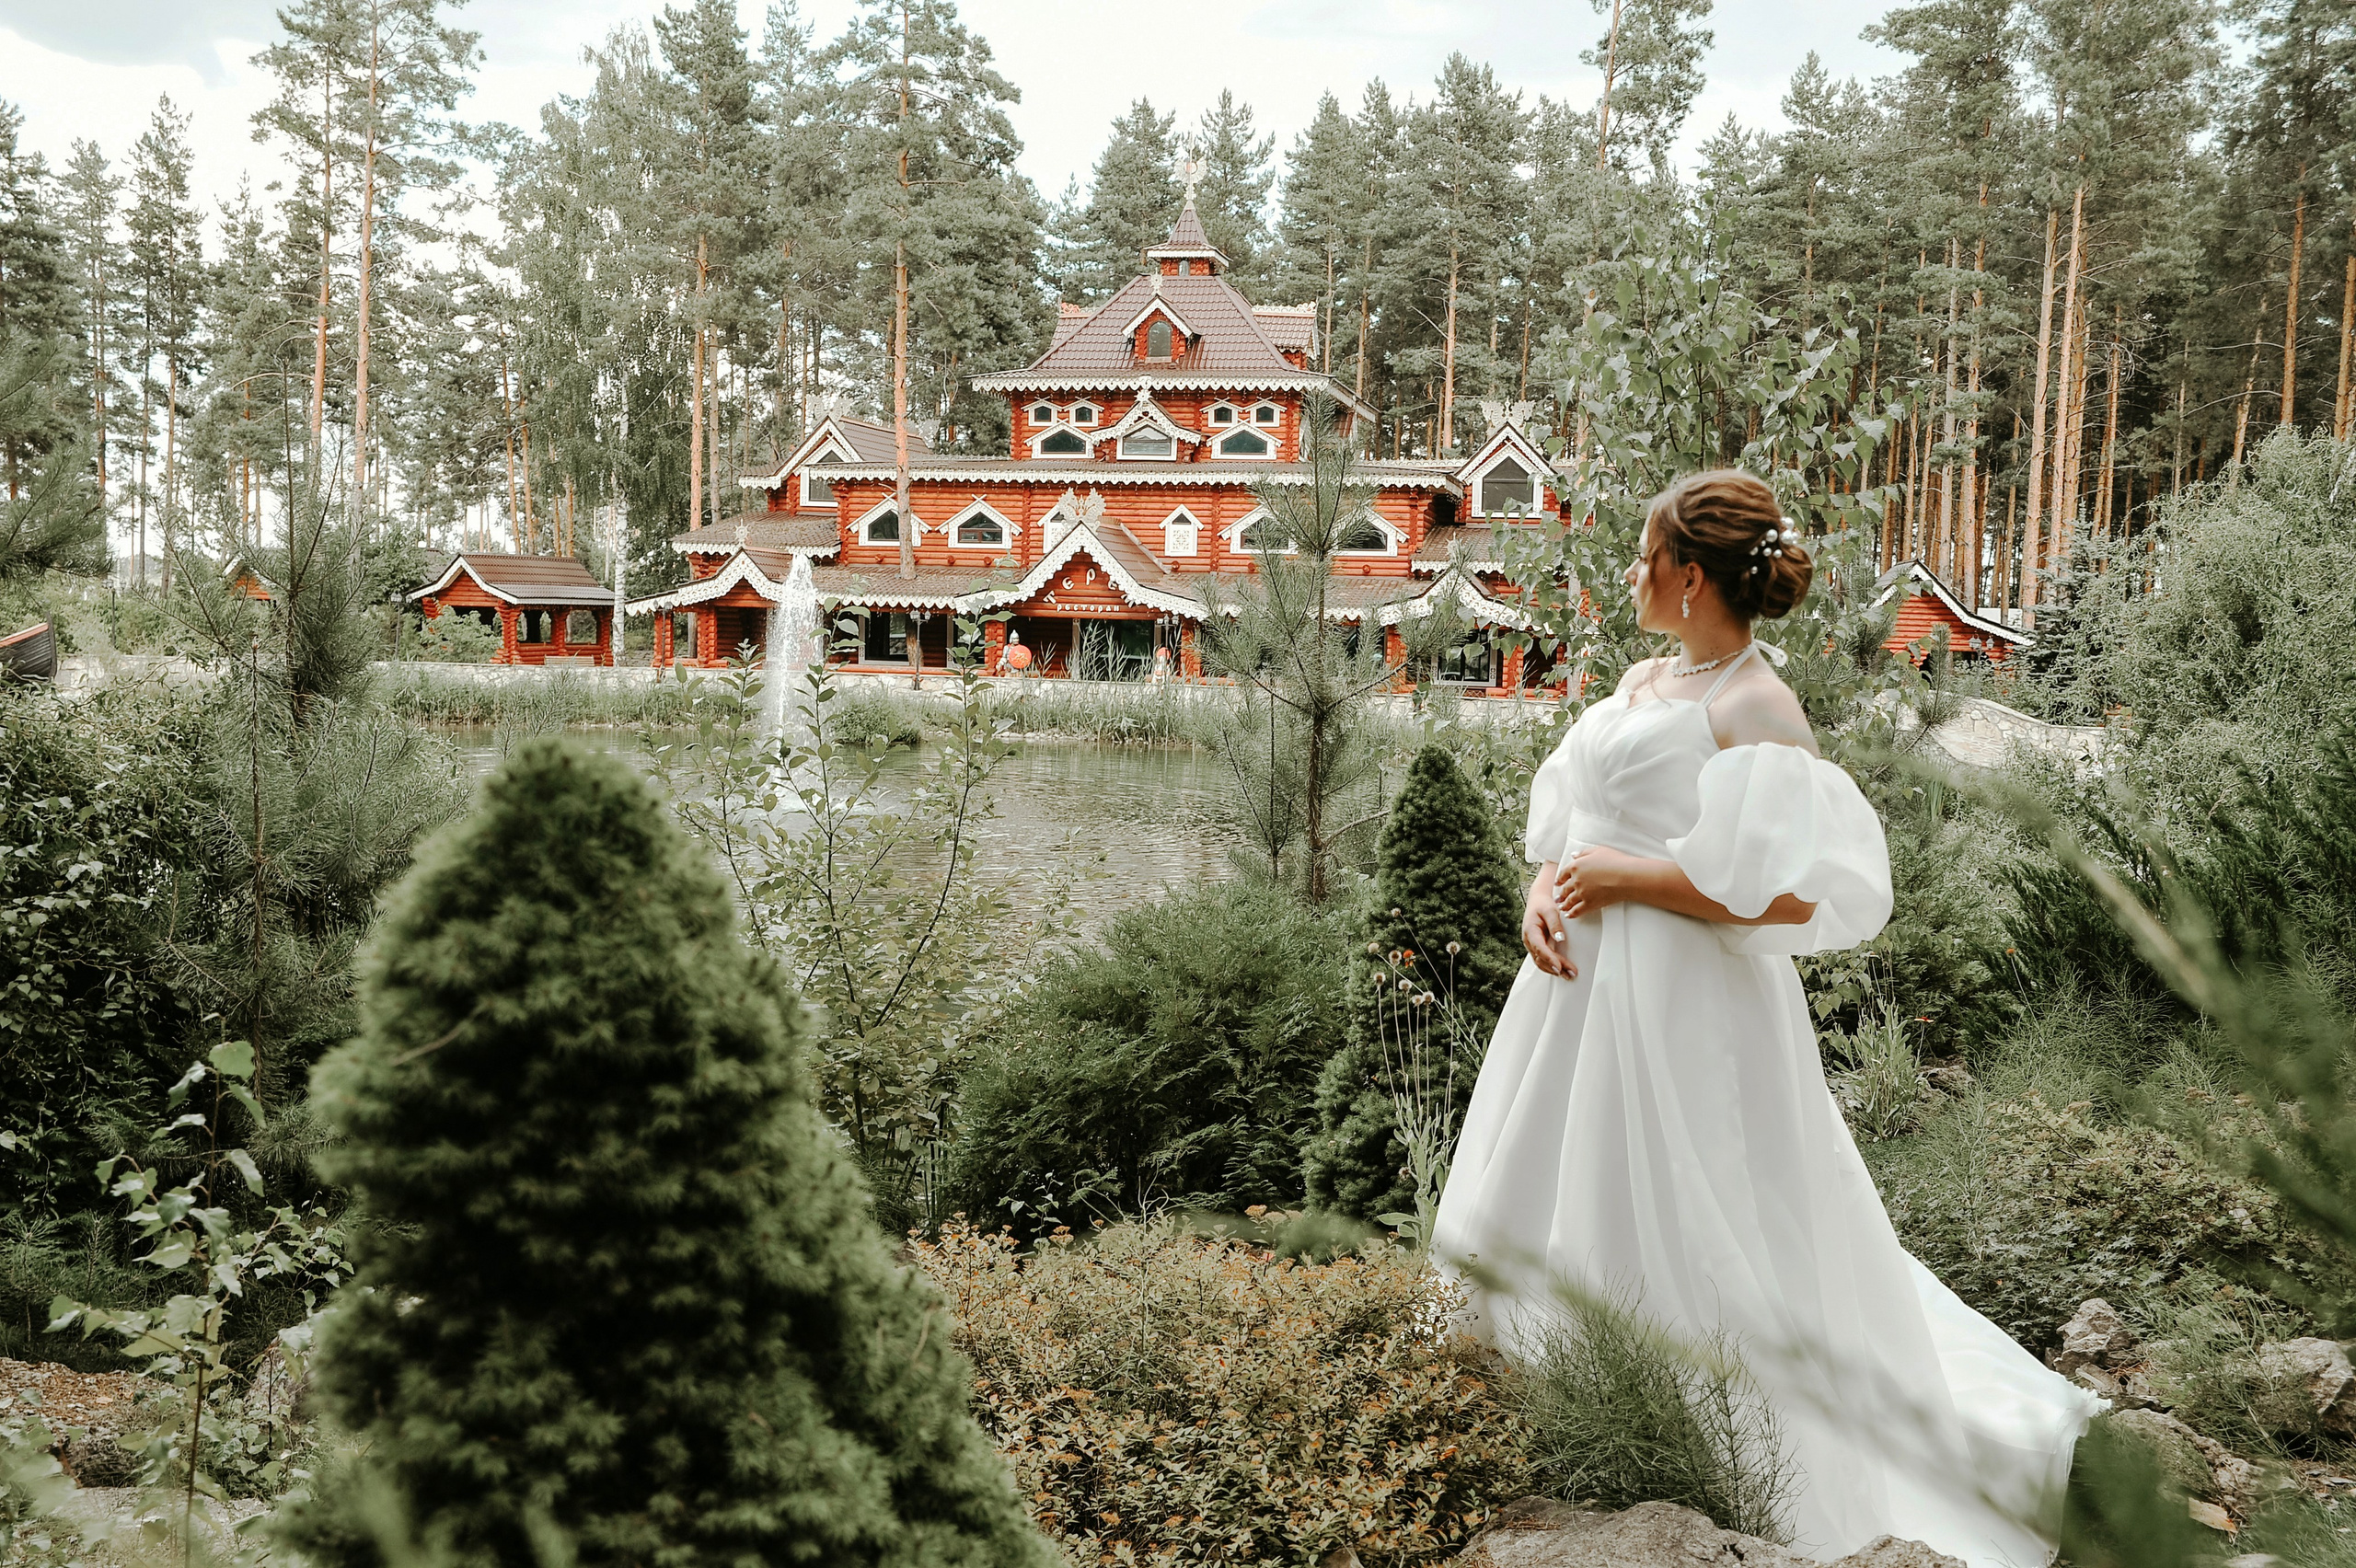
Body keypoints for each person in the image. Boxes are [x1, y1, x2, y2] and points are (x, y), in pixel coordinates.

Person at [1430, 470, 2097, 1567]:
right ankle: (1541, 1423)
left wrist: (1633, 880)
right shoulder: (1648, 677)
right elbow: (1572, 825)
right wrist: (1539, 894)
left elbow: (1795, 895)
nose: (1630, 573)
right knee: (1537, 1178)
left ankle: (1712, 1456)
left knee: (1699, 1205)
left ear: (1689, 574)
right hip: (1571, 997)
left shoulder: (1755, 704)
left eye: (1644, 555)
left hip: (1685, 1003)